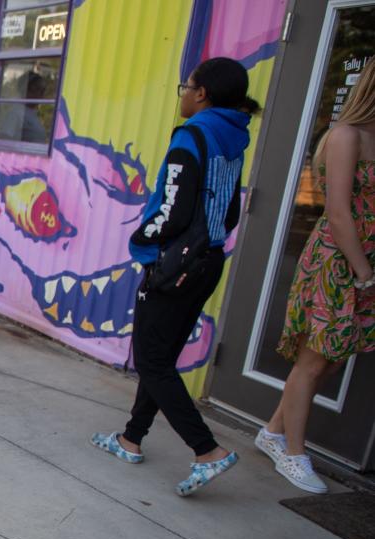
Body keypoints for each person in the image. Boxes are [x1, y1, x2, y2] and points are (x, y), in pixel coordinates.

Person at [91, 57, 259, 496]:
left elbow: (172, 208)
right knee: (160, 354)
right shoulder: (234, 135)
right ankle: (131, 438)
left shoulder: (193, 135)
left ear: (200, 93)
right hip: (208, 258)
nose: (182, 93)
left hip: (175, 265)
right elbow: (229, 209)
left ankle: (207, 450)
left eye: (185, 86)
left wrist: (143, 241)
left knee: (151, 359)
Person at [256, 61, 375, 493]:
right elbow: (339, 211)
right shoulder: (347, 135)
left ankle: (272, 431)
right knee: (312, 361)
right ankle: (293, 453)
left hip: (365, 266)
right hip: (339, 264)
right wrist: (363, 273)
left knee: (331, 358)